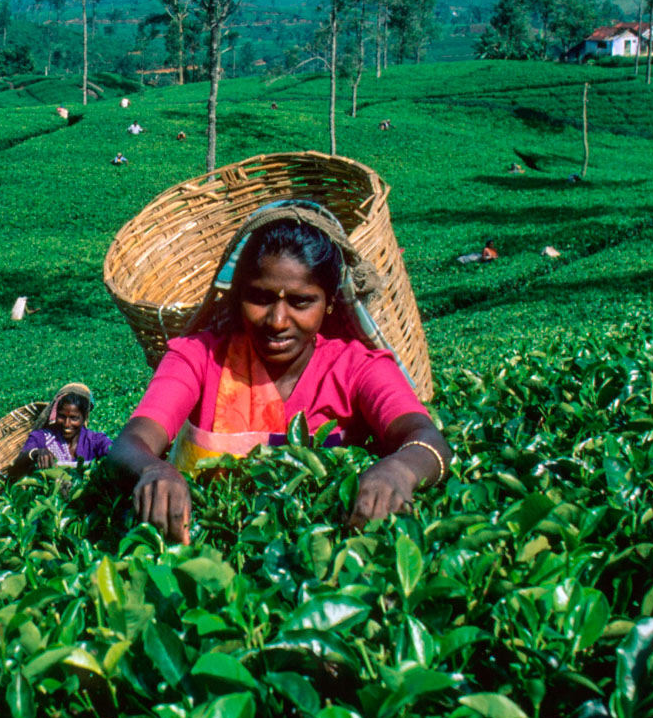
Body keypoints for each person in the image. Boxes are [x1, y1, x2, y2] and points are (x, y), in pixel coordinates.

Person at [109, 204, 453, 542]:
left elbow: (425, 436)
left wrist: (397, 471)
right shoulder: (198, 358)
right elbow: (131, 443)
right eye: (260, 298)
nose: (277, 321)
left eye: (301, 302)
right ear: (238, 297)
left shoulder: (357, 368)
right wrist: (154, 470)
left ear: (329, 303)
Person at [18, 385, 112, 472]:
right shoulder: (41, 437)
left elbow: (112, 453)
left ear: (85, 417)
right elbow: (19, 460)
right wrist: (36, 453)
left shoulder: (95, 440)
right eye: (62, 416)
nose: (67, 424)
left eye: (74, 418)